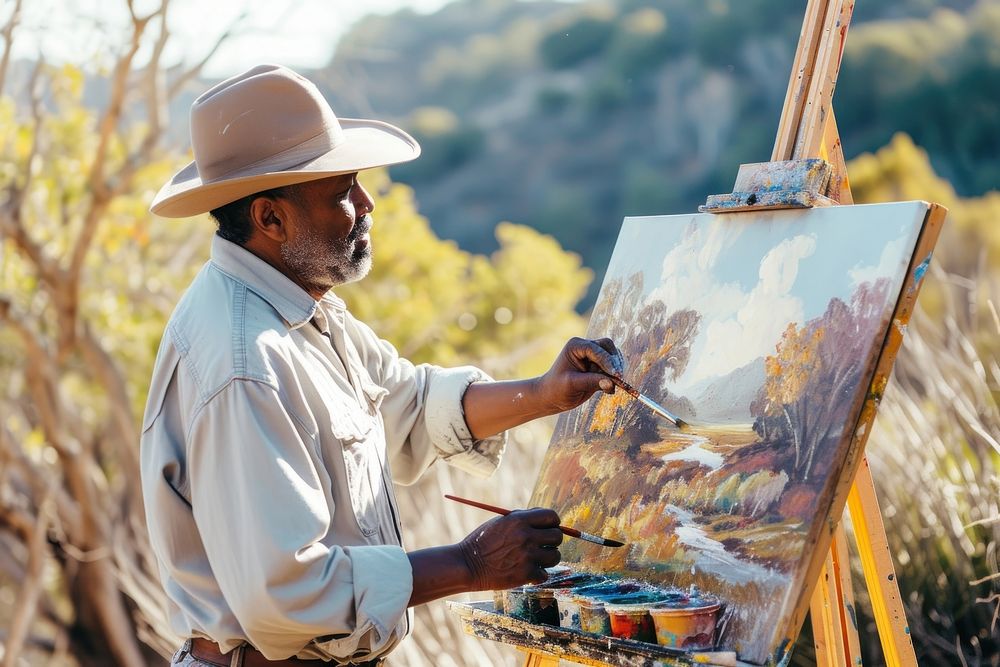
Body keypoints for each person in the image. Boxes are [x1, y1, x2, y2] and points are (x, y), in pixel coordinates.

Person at [140, 64, 621, 667]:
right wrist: (469, 565)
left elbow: (407, 404)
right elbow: (285, 593)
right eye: (344, 190)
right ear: (270, 218)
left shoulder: (302, 305)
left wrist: (545, 393)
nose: (367, 204)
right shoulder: (245, 361)